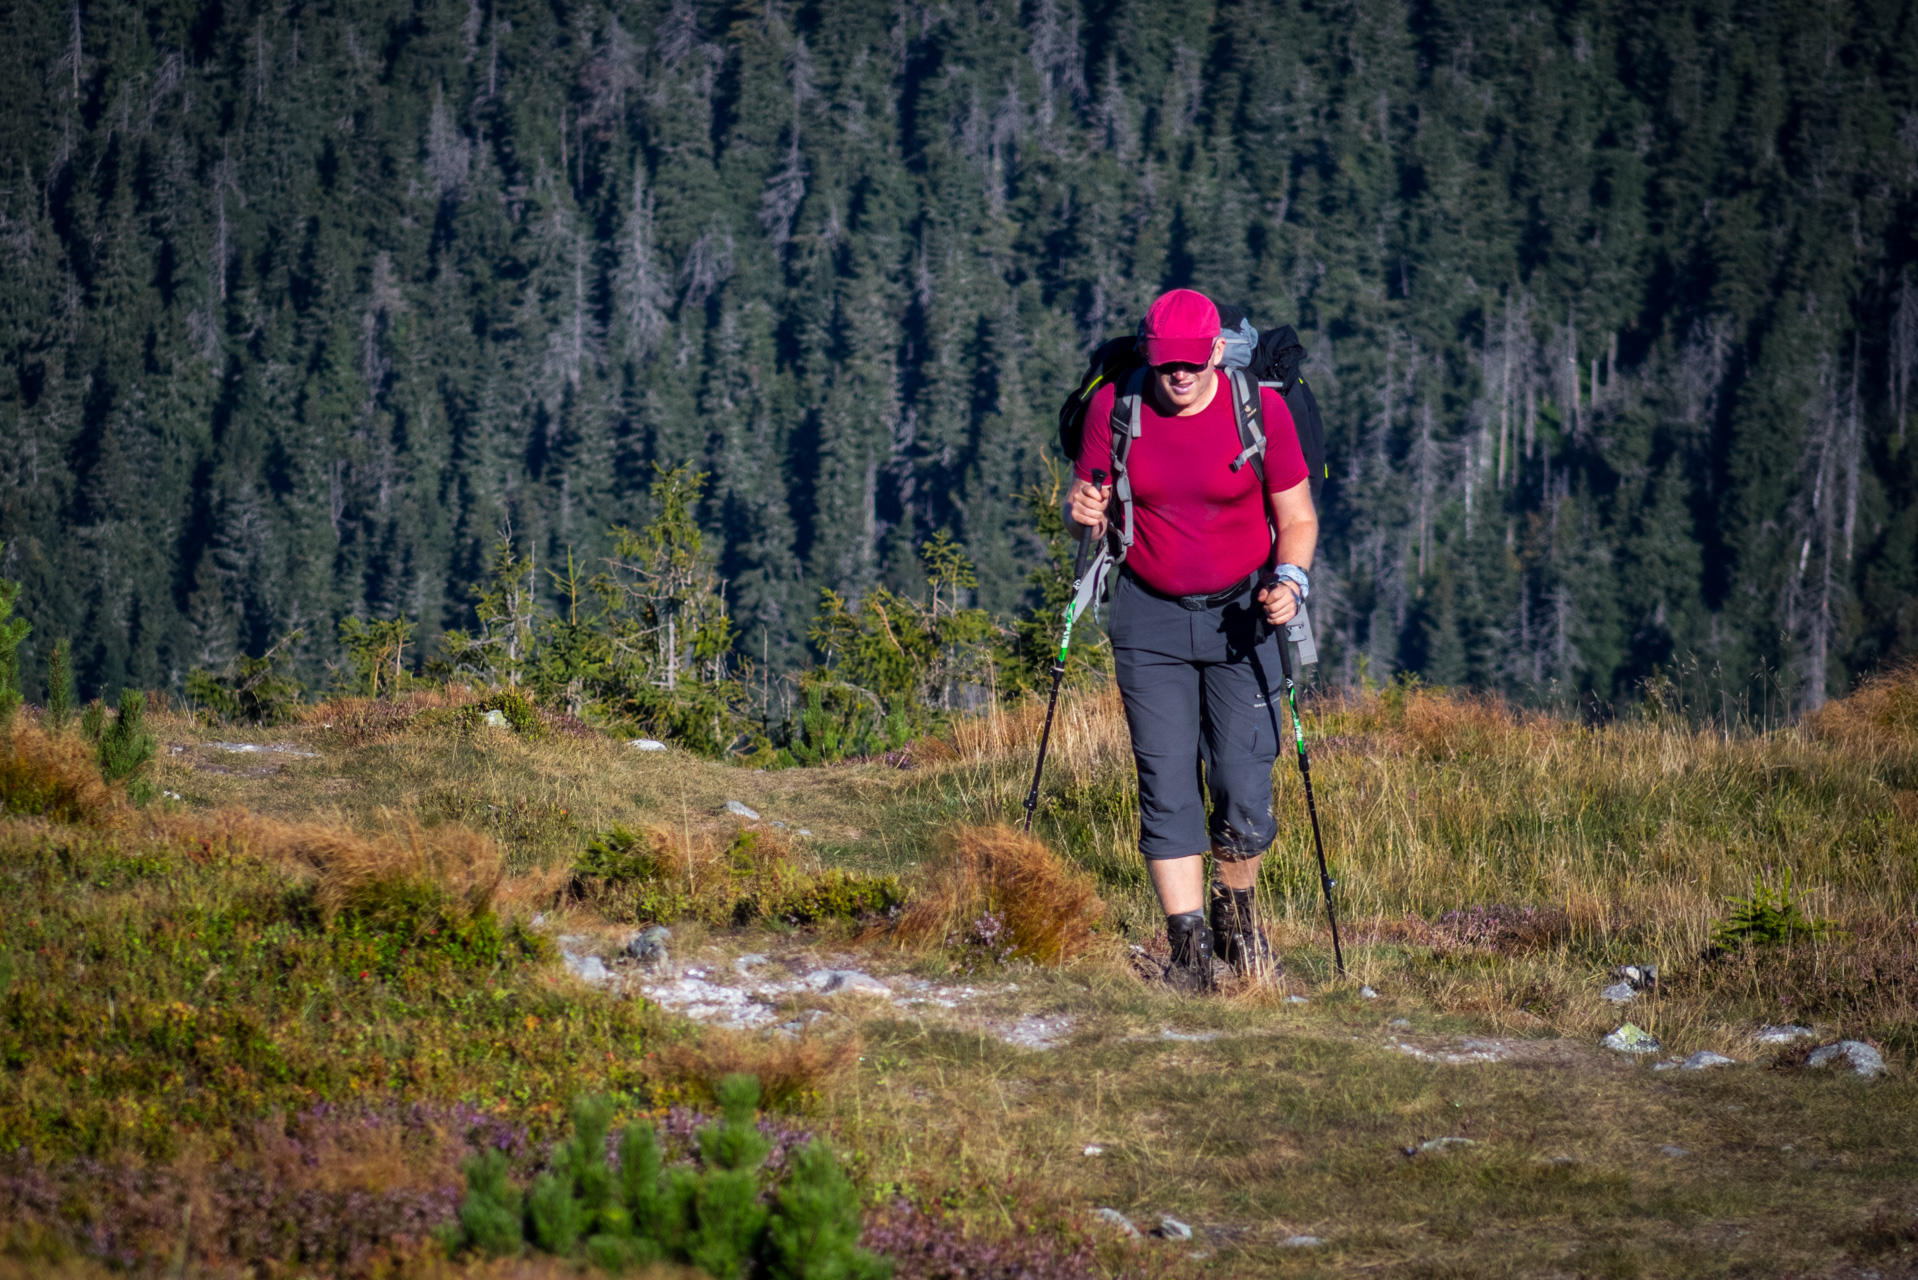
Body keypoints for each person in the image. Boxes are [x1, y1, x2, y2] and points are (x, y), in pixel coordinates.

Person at [1068, 288, 1318, 993]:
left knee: (1244, 783)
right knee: (1166, 781)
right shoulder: (1115, 408)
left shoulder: (1257, 409)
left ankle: (1236, 921)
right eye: (1165, 363)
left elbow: (1296, 515)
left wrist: (1291, 582)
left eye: (1190, 362)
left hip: (1244, 614)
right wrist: (1080, 510)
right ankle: (1188, 952)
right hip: (1147, 618)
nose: (1178, 375)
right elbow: (1089, 510)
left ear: (1215, 351)